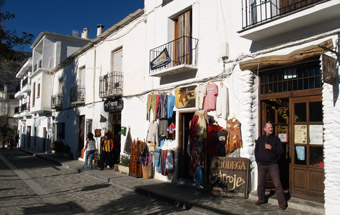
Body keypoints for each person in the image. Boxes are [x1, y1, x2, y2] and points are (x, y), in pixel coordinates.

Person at [254, 122, 286, 210]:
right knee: (260, 183)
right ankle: (261, 199)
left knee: (277, 184)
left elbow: (281, 152)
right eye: (269, 128)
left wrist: (272, 148)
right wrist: (258, 161)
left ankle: (282, 203)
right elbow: (256, 151)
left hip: (272, 164)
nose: (271, 129)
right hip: (262, 164)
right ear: (264, 129)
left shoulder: (276, 139)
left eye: (271, 127)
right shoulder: (260, 139)